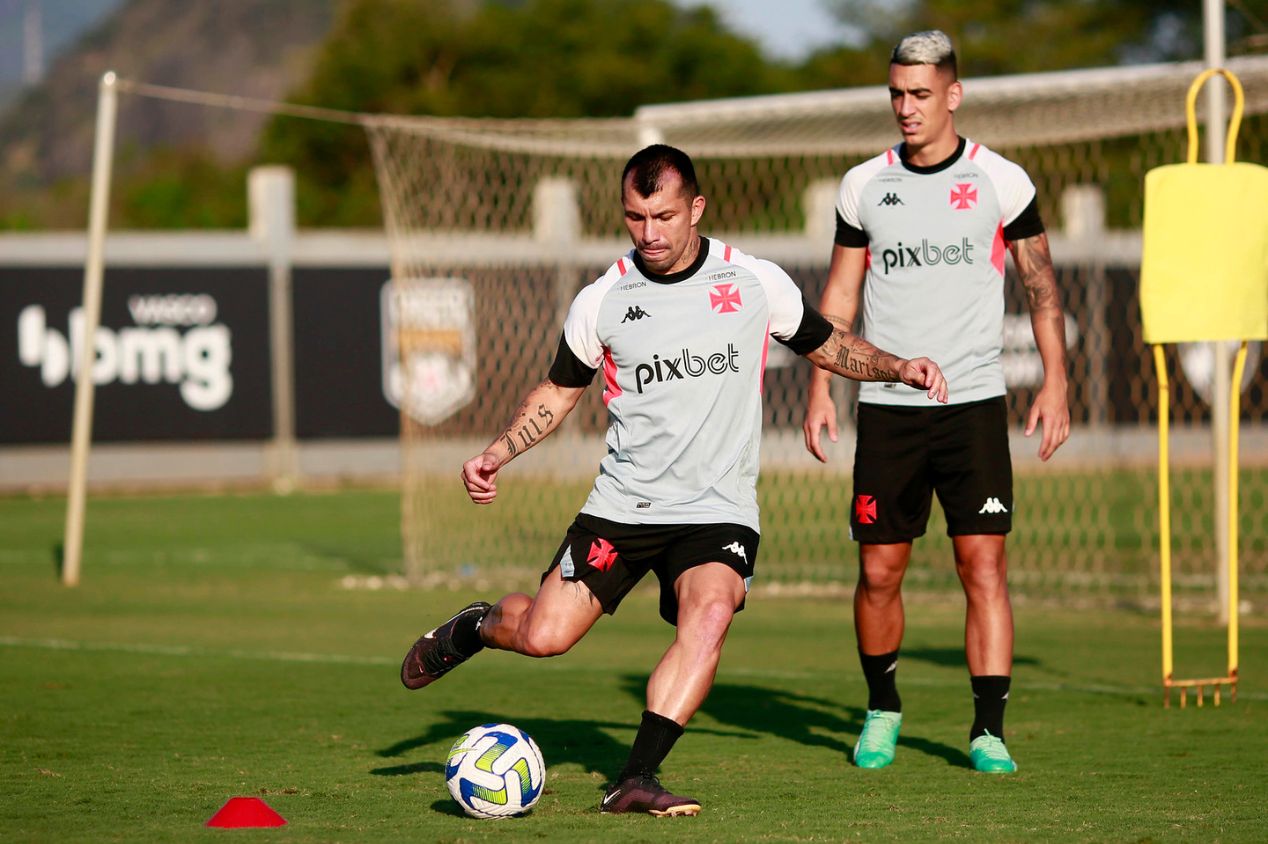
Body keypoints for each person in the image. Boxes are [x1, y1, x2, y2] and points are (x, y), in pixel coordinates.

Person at [402, 144, 948, 816]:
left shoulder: (753, 282)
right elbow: (558, 392)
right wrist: (497, 452)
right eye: (635, 216)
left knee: (711, 612)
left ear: (696, 208)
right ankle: (479, 626)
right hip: (621, 508)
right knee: (545, 637)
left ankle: (635, 777)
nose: (649, 232)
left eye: (662, 215)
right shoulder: (603, 299)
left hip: (717, 510)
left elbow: (828, 343)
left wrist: (899, 367)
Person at [802, 30, 1070, 775]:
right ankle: (882, 710)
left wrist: (1057, 381)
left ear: (953, 94)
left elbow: (1041, 288)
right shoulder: (863, 186)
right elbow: (840, 297)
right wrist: (822, 387)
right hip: (887, 409)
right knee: (879, 573)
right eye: (896, 94)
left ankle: (989, 730)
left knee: (983, 568)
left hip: (975, 408)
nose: (906, 108)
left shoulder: (1001, 181)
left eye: (920, 94)